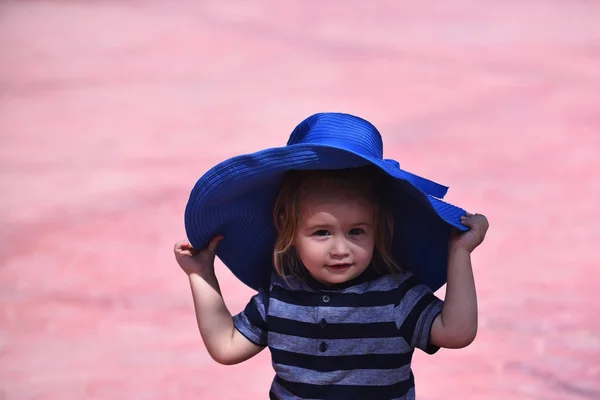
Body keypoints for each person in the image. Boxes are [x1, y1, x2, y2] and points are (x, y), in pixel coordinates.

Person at [175, 112, 489, 399]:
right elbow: (227, 346)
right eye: (321, 232)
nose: (340, 249)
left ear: (377, 230)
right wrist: (202, 276)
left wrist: (460, 253)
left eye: (356, 232)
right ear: (289, 229)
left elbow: (457, 333)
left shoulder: (396, 295)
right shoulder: (280, 295)